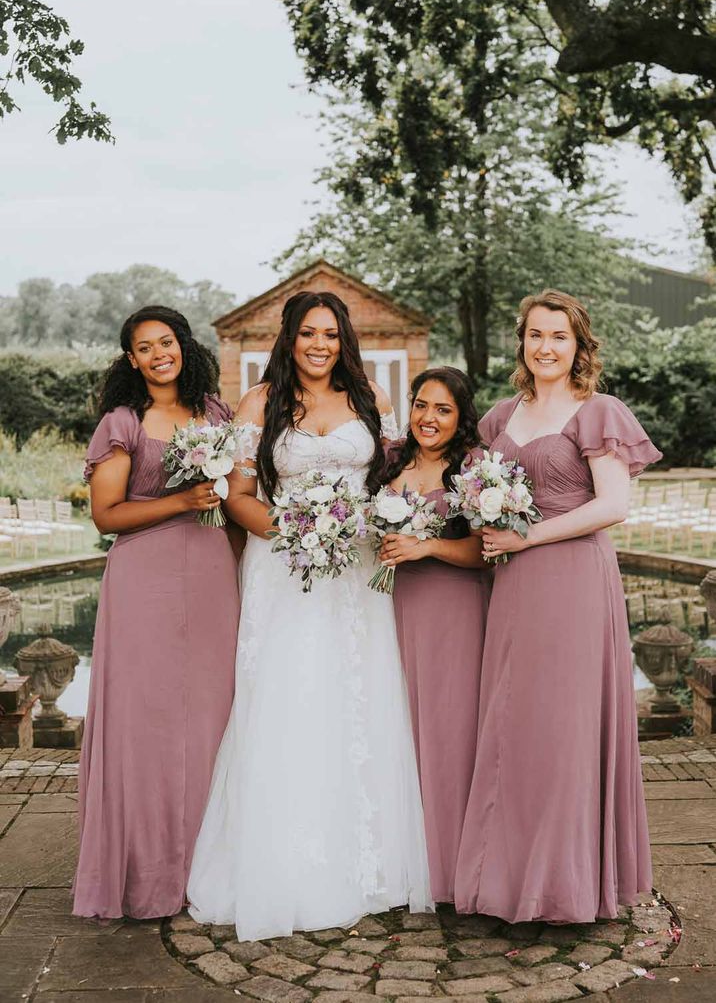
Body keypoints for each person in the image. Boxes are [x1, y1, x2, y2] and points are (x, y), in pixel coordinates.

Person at [187, 290, 431, 941]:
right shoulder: (260, 404)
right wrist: (294, 533)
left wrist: (388, 522)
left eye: (330, 334)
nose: (319, 344)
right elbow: (235, 496)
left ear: (342, 340)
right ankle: (285, 864)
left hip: (354, 573)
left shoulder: (369, 400)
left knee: (357, 694)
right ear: (289, 339)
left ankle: (368, 863)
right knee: (288, 695)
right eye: (307, 334)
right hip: (282, 566)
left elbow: (392, 480)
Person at [455, 289, 661, 924]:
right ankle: (508, 875)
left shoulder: (598, 411)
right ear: (522, 342)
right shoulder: (498, 418)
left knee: (565, 726)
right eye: (536, 335)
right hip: (513, 586)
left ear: (579, 346)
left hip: (572, 579)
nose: (546, 347)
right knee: (513, 721)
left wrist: (529, 535)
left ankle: (567, 884)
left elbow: (613, 506)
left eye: (559, 337)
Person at [73, 305, 242, 920]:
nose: (157, 354)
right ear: (132, 360)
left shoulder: (216, 415)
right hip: (143, 580)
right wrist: (178, 502)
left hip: (211, 574)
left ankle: (207, 863)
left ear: (182, 345)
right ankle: (146, 872)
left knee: (212, 713)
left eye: (165, 342)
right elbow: (107, 515)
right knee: (146, 722)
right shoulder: (123, 422)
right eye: (144, 348)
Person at [379, 367, 491, 903]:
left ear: (460, 415)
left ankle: (451, 872)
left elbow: (483, 551)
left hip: (453, 610)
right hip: (391, 610)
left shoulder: (473, 469)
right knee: (399, 731)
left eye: (443, 410)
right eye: (422, 405)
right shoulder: (390, 462)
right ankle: (403, 863)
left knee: (449, 733)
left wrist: (427, 547)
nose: (428, 418)